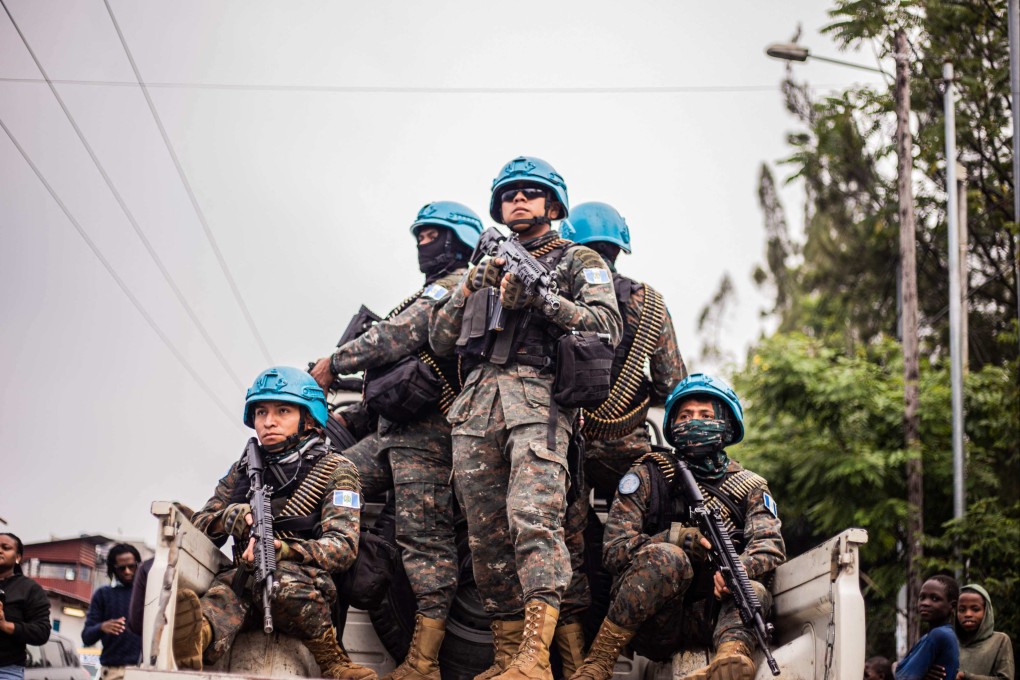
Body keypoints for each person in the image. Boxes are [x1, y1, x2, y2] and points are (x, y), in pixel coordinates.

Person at [429, 156, 622, 680]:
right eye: (509, 193)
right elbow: (440, 340)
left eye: (531, 192)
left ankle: (535, 657)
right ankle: (507, 658)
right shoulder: (483, 265)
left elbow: (607, 326)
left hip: (539, 404)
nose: (518, 199)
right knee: (486, 538)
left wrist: (541, 299)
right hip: (476, 409)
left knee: (533, 520)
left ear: (553, 205)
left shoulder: (578, 259)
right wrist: (471, 286)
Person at [309, 201, 484, 680]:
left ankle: (424, 663)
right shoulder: (432, 288)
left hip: (428, 437)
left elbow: (401, 334)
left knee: (424, 544)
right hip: (393, 433)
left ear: (459, 242)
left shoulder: (454, 287)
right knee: (321, 484)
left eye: (432, 236)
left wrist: (335, 363)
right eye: (420, 237)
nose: (423, 245)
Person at [570, 373, 785, 680]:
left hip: (714, 617)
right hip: (656, 622)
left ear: (726, 425)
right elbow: (614, 550)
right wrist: (676, 538)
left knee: (753, 589)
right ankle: (598, 663)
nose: (694, 422)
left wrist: (735, 572)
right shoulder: (648, 474)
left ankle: (729, 660)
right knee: (669, 558)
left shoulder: (749, 486)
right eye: (685, 416)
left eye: (705, 416)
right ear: (672, 425)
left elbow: (769, 546)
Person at [172, 366, 372, 680]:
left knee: (280, 581)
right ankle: (196, 639)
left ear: (308, 418)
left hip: (306, 588)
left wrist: (285, 550)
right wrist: (226, 520)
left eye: (282, 411)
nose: (268, 421)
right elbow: (198, 527)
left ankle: (333, 661)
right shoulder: (242, 470)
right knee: (223, 595)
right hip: (245, 581)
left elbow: (342, 547)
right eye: (261, 412)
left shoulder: (337, 469)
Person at [555, 202, 687, 675]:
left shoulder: (556, 297)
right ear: (619, 248)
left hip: (563, 445)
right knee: (649, 521)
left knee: (566, 543)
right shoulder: (648, 304)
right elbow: (673, 384)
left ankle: (574, 658)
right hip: (626, 448)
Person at [83, 544, 143, 680]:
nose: (127, 571)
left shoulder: (148, 593)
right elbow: (86, 637)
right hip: (112, 673)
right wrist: (102, 627)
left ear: (138, 565)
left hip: (144, 672)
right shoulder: (103, 595)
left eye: (131, 566)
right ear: (113, 569)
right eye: (122, 568)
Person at [0, 533, 50, 680]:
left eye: (5, 547)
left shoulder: (29, 589)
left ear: (18, 557)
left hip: (5, 670)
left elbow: (42, 631)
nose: (0, 550)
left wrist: (5, 625)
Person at [894, 575, 960, 680]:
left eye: (935, 598)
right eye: (922, 597)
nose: (925, 603)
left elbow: (902, 676)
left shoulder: (939, 635)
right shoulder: (935, 635)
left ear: (952, 606)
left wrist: (895, 668)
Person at [955, 584, 1013, 680]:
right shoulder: (951, 641)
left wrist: (967, 676)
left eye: (975, 609)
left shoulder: (1000, 640)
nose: (968, 614)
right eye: (962, 610)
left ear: (986, 611)